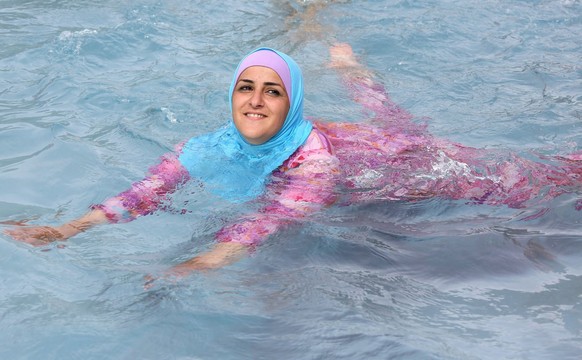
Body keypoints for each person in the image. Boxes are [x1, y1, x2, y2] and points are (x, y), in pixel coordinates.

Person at [5, 43, 582, 283]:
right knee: (382, 111)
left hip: (430, 171)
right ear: (231, 95)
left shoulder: (313, 165)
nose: (255, 100)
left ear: (291, 103)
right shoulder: (204, 148)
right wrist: (66, 230)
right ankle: (350, 66)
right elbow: (143, 195)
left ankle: (351, 68)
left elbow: (262, 225)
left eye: (273, 91)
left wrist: (188, 269)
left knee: (551, 186)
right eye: (246, 88)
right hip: (374, 144)